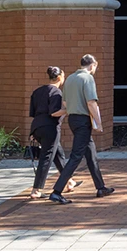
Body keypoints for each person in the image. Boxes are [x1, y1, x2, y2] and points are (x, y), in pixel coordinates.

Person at [50, 54, 113, 204]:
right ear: (93, 65)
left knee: (90, 153)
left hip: (73, 119)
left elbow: (64, 104)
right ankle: (57, 191)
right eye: (95, 66)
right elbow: (91, 103)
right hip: (83, 120)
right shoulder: (88, 78)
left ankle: (100, 187)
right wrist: (99, 123)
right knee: (76, 156)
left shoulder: (70, 78)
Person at [28, 66, 75, 202]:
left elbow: (33, 112)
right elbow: (54, 113)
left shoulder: (37, 91)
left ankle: (69, 180)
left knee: (58, 153)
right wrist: (70, 108)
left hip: (36, 127)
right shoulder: (56, 93)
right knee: (47, 157)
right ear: (60, 77)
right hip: (50, 128)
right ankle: (36, 190)